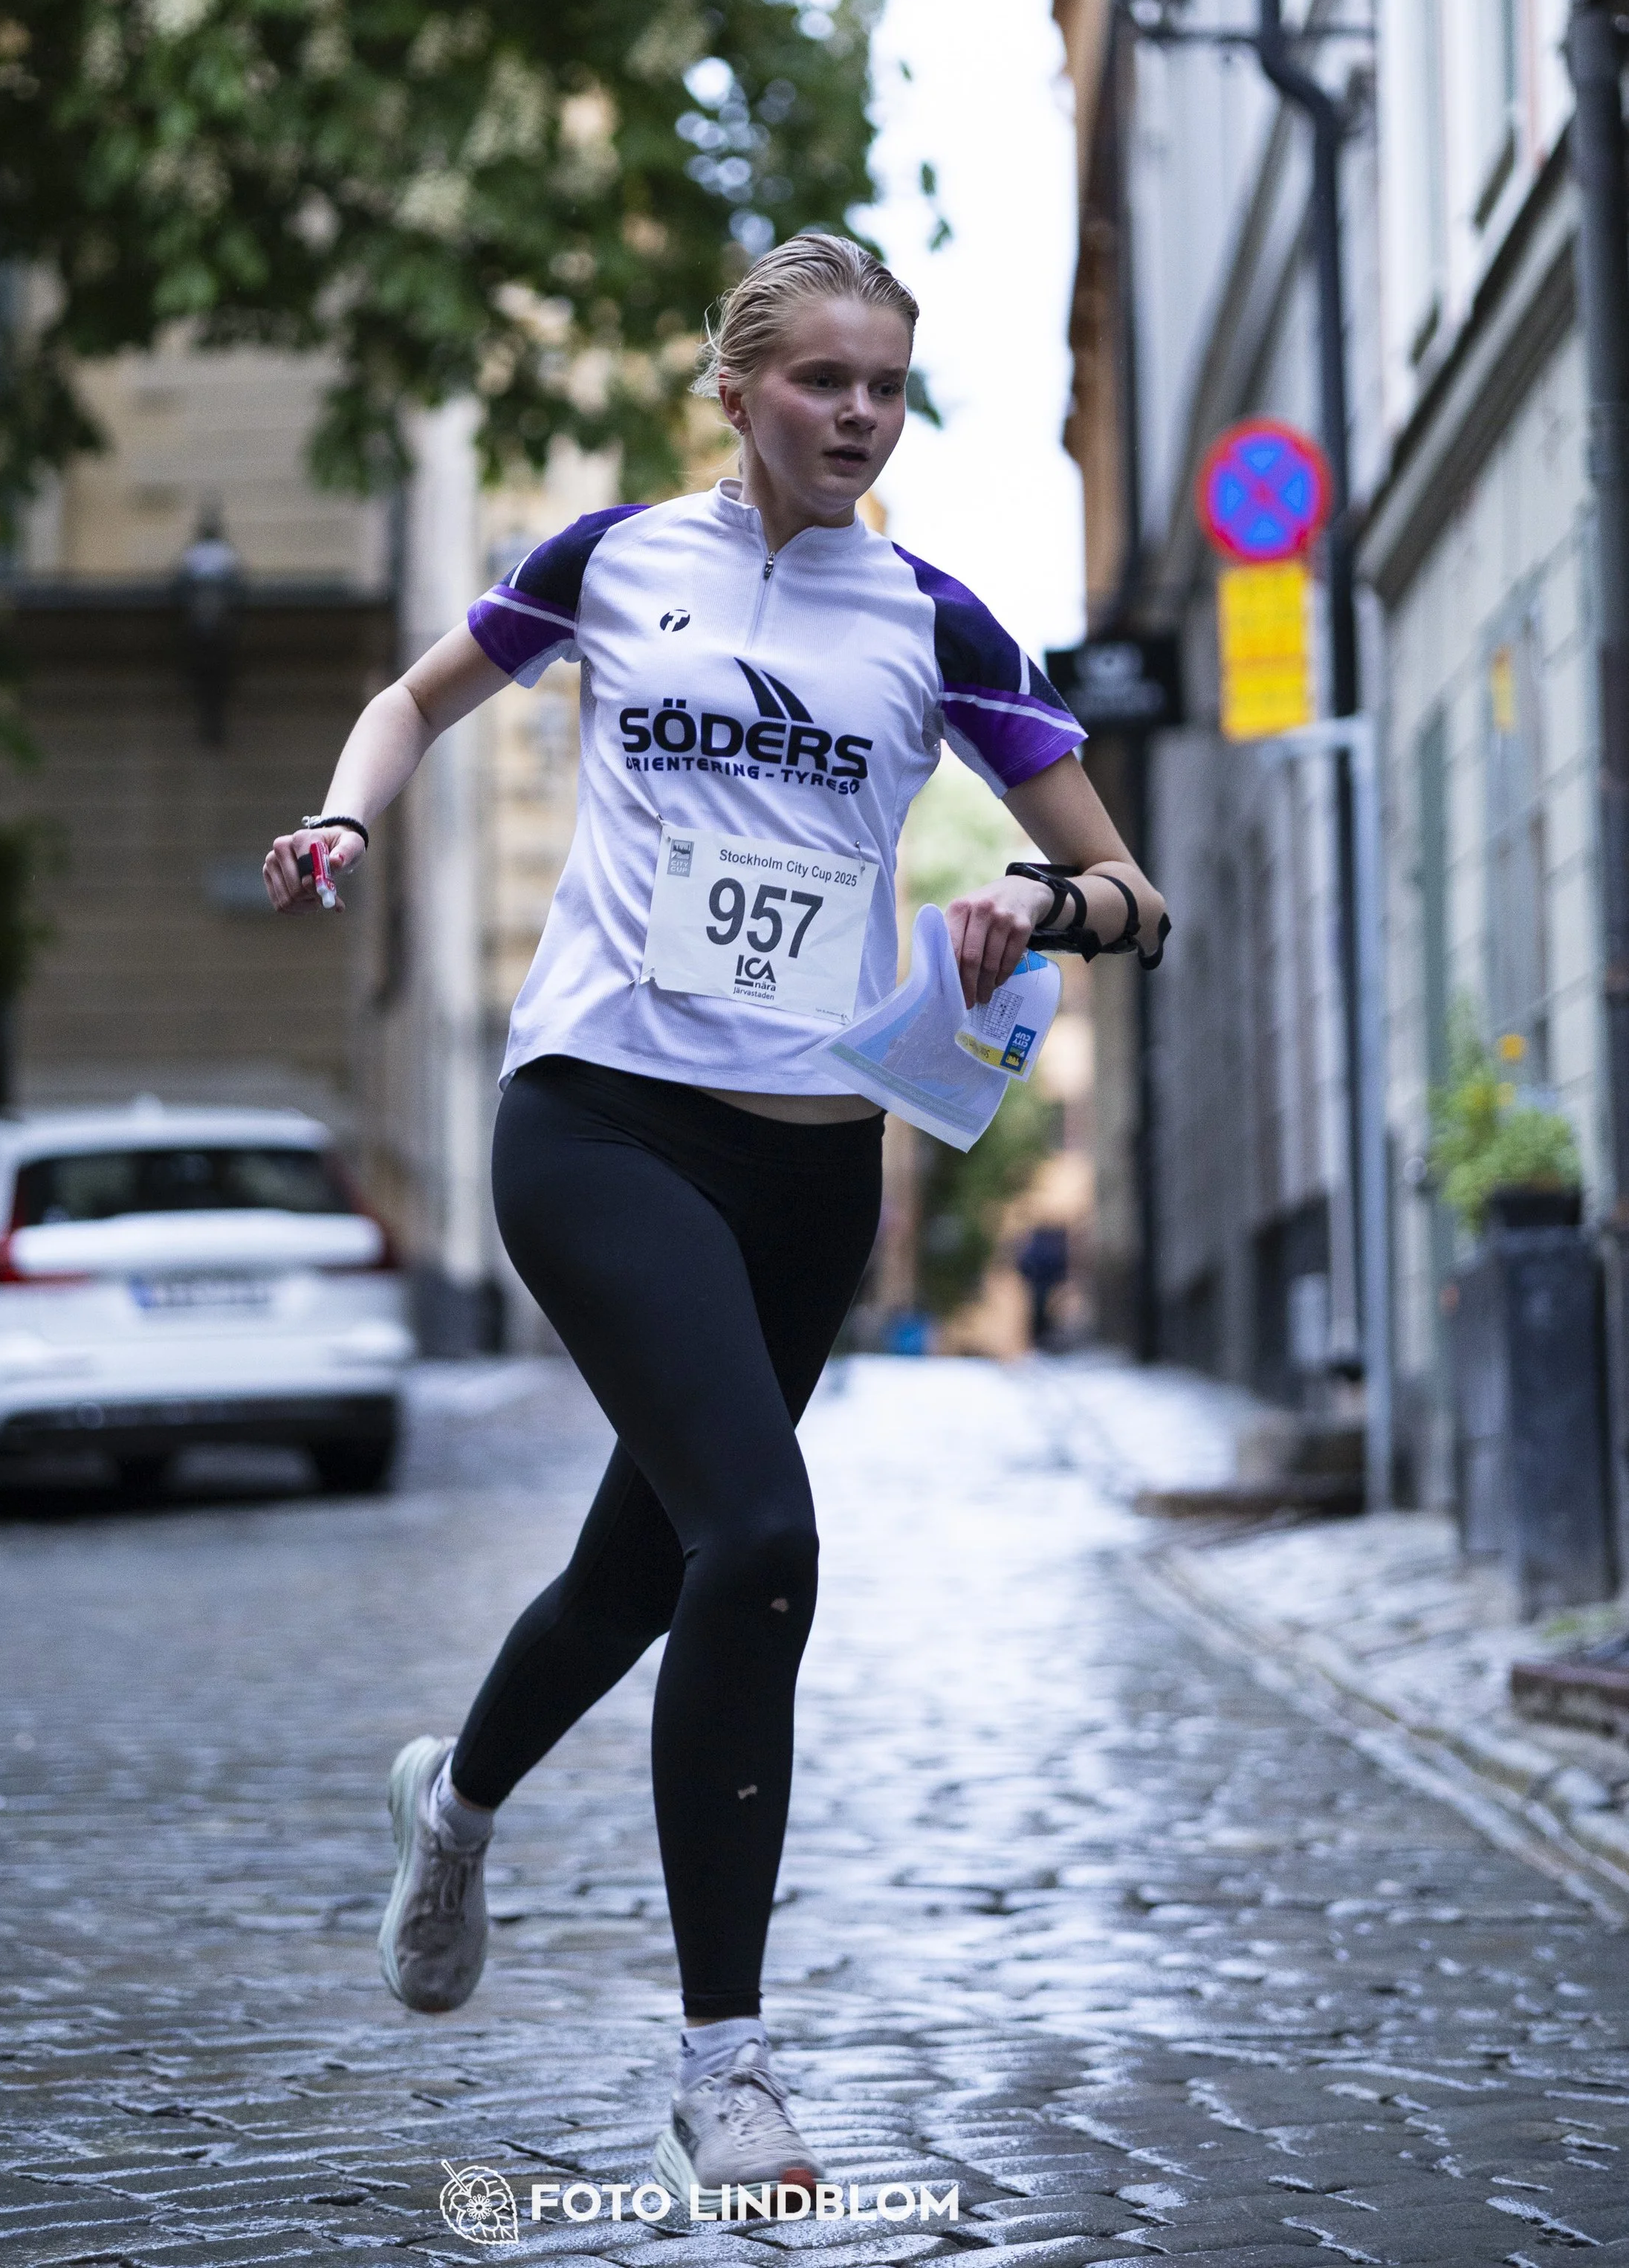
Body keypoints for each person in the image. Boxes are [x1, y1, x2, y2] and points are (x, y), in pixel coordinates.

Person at [265, 233, 1168, 2205]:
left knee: (637, 1567)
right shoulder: (612, 562)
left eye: (887, 388)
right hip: (593, 1113)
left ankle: (455, 1800)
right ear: (740, 385)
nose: (858, 417)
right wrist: (344, 809)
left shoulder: (933, 621)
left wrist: (1040, 900)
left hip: (804, 1161)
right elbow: (416, 700)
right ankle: (725, 2066)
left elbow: (1134, 894)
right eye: (824, 380)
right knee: (756, 1534)